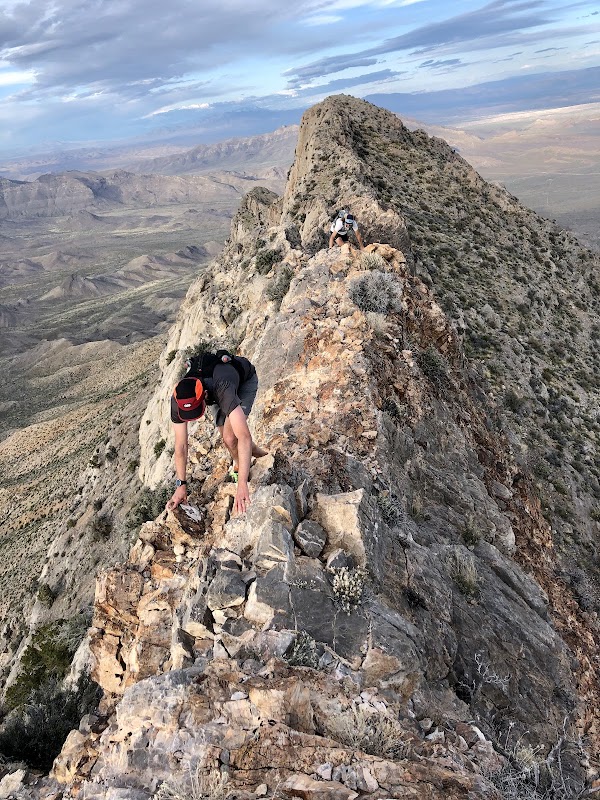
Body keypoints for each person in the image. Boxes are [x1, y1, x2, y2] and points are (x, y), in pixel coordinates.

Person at [166, 349, 267, 516]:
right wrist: (181, 485)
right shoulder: (178, 398)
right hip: (213, 390)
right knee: (227, 439)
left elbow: (244, 436)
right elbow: (181, 446)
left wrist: (242, 485)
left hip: (242, 382)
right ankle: (244, 461)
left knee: (231, 438)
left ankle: (246, 468)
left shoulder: (223, 389)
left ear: (204, 396)